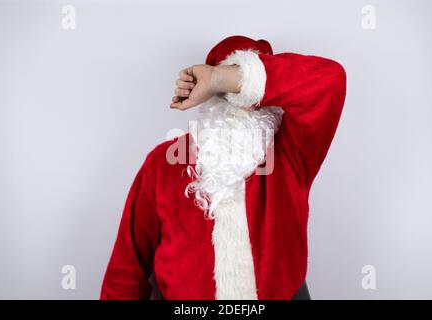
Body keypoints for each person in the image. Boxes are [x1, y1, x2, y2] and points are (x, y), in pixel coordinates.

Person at [100, 35, 346, 300]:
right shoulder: (163, 162)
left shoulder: (290, 155)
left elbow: (330, 80)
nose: (243, 106)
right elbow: (127, 265)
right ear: (208, 98)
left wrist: (221, 79)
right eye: (226, 94)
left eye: (244, 91)